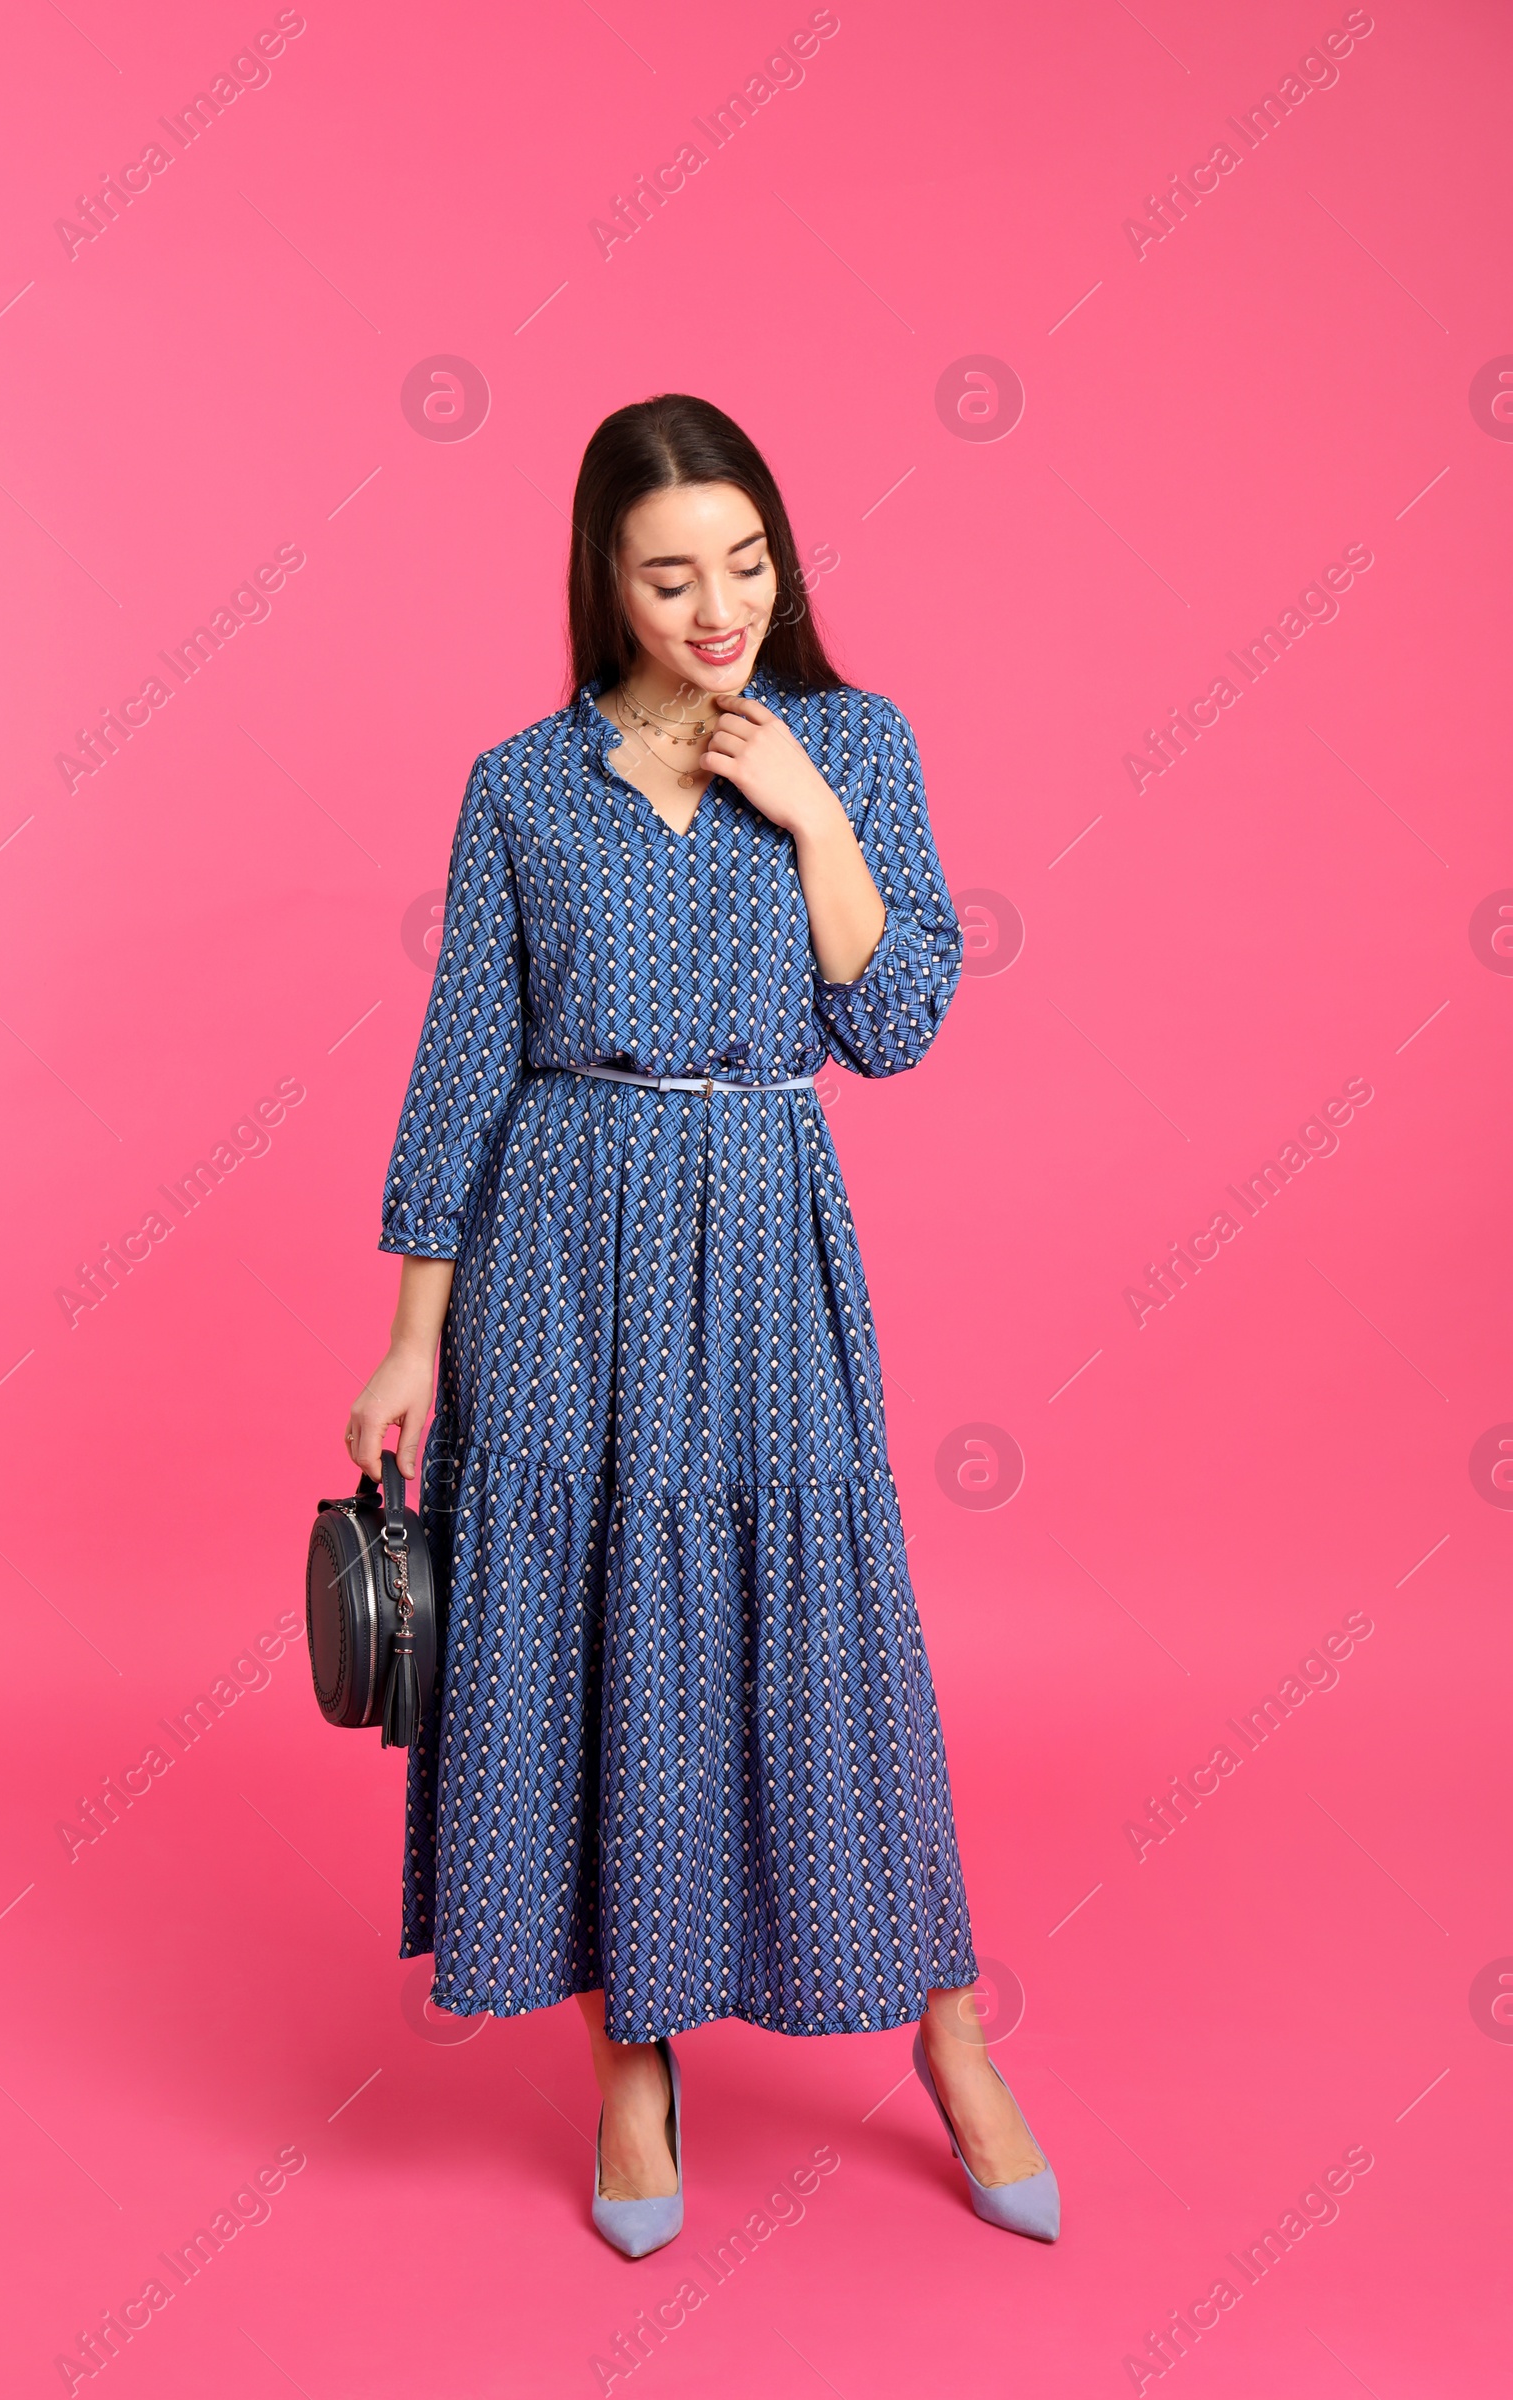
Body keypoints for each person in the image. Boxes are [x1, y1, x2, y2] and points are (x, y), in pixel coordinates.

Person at [346, 392, 1060, 2252]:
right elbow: (462, 1067)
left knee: (829, 1635)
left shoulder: (855, 742)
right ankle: (629, 2072)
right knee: (580, 1639)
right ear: (605, 576)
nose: (718, 605)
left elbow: (891, 1020)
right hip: (561, 1253)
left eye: (746, 564)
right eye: (672, 575)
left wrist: (811, 809)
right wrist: (413, 1339)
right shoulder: (521, 783)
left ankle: (955, 2037)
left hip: (762, 1236)